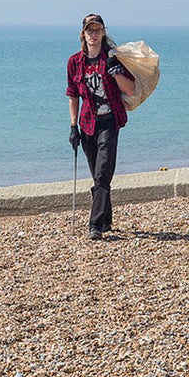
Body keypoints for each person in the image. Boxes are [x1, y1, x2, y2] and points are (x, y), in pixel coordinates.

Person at [66, 13, 135, 240]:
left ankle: (94, 225)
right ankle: (106, 218)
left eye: (97, 30)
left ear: (103, 32)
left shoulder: (113, 59)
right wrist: (73, 126)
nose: (93, 34)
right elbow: (73, 95)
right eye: (89, 31)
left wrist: (116, 73)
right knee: (97, 176)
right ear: (83, 34)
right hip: (87, 124)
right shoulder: (74, 62)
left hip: (110, 120)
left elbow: (130, 90)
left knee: (103, 174)